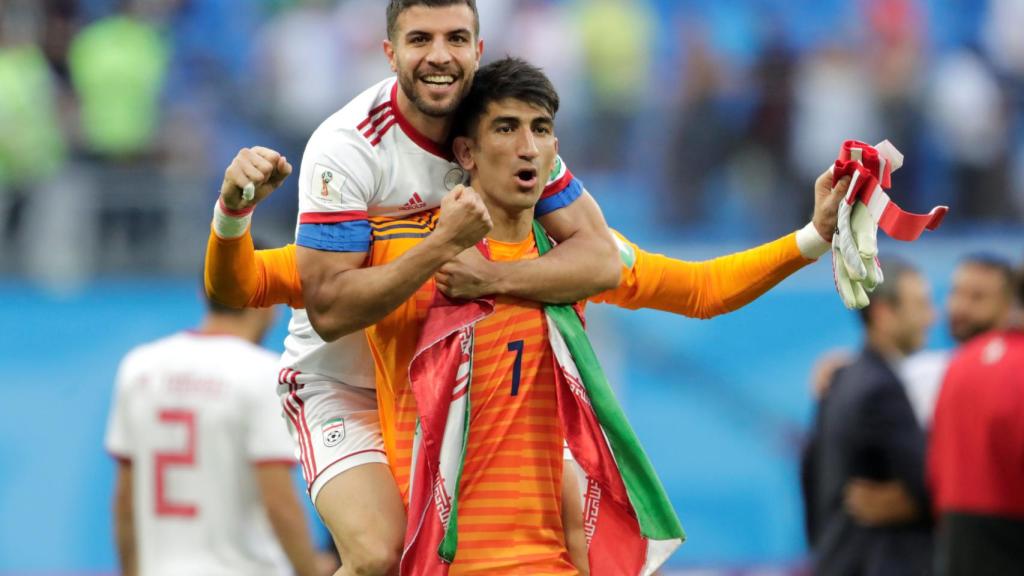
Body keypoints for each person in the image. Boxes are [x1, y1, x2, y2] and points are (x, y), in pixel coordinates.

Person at [209, 54, 850, 572]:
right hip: (440, 559)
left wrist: (813, 237)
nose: (527, 148)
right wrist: (233, 213)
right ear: (464, 152)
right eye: (506, 129)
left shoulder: (568, 259)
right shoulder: (400, 243)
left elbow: (702, 290)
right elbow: (246, 285)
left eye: (541, 130)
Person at [211, 2, 621, 571]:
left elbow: (601, 259)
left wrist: (494, 277)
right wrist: (441, 247)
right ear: (390, 52)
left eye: (456, 38)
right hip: (343, 382)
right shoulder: (349, 145)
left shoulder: (502, 129)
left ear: (478, 49)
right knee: (382, 554)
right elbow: (329, 310)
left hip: (442, 381)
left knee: (572, 523)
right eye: (419, 39)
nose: (439, 56)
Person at [104, 285, 321, 576]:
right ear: (270, 303)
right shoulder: (263, 373)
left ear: (203, 292)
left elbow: (125, 502)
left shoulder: (140, 367)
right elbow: (279, 503)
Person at [802, 259, 936, 576]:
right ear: (883, 314)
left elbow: (809, 474)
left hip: (838, 559)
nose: (932, 317)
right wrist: (916, 502)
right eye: (920, 305)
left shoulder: (841, 380)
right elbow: (927, 484)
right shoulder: (881, 390)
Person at [927, 264, 1024, 576]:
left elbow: (935, 466)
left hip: (957, 538)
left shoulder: (959, 363)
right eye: (958, 293)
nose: (961, 307)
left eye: (978, 296)